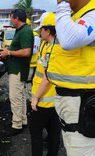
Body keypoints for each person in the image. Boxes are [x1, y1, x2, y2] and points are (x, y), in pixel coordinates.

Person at [46, 0, 95, 155]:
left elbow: (69, 40)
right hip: (72, 103)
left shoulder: (92, 13)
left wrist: (62, 6)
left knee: (81, 149)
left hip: (83, 103)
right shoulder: (75, 16)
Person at [0, 9, 34, 136]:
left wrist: (8, 52)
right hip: (16, 69)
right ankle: (22, 121)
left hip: (18, 70)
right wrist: (7, 50)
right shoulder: (21, 31)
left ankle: (17, 125)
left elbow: (26, 52)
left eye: (11, 18)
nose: (10, 21)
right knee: (21, 96)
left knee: (15, 97)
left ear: (16, 18)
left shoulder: (25, 32)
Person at [30, 12, 61, 156]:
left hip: (44, 101)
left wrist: (36, 97)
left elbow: (47, 78)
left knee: (36, 133)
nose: (39, 31)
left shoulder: (54, 49)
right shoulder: (46, 44)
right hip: (52, 101)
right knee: (54, 134)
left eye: (41, 29)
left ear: (48, 31)